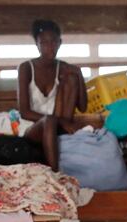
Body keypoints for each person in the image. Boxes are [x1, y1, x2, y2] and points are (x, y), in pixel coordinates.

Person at [18, 19, 88, 171]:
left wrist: (79, 74)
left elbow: (83, 107)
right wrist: (60, 122)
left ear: (60, 42)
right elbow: (24, 112)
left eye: (54, 41)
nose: (50, 47)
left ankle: (56, 128)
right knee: (49, 121)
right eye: (44, 42)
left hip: (60, 122)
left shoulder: (63, 67)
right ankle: (54, 174)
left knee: (70, 77)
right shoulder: (26, 68)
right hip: (33, 128)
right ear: (37, 44)